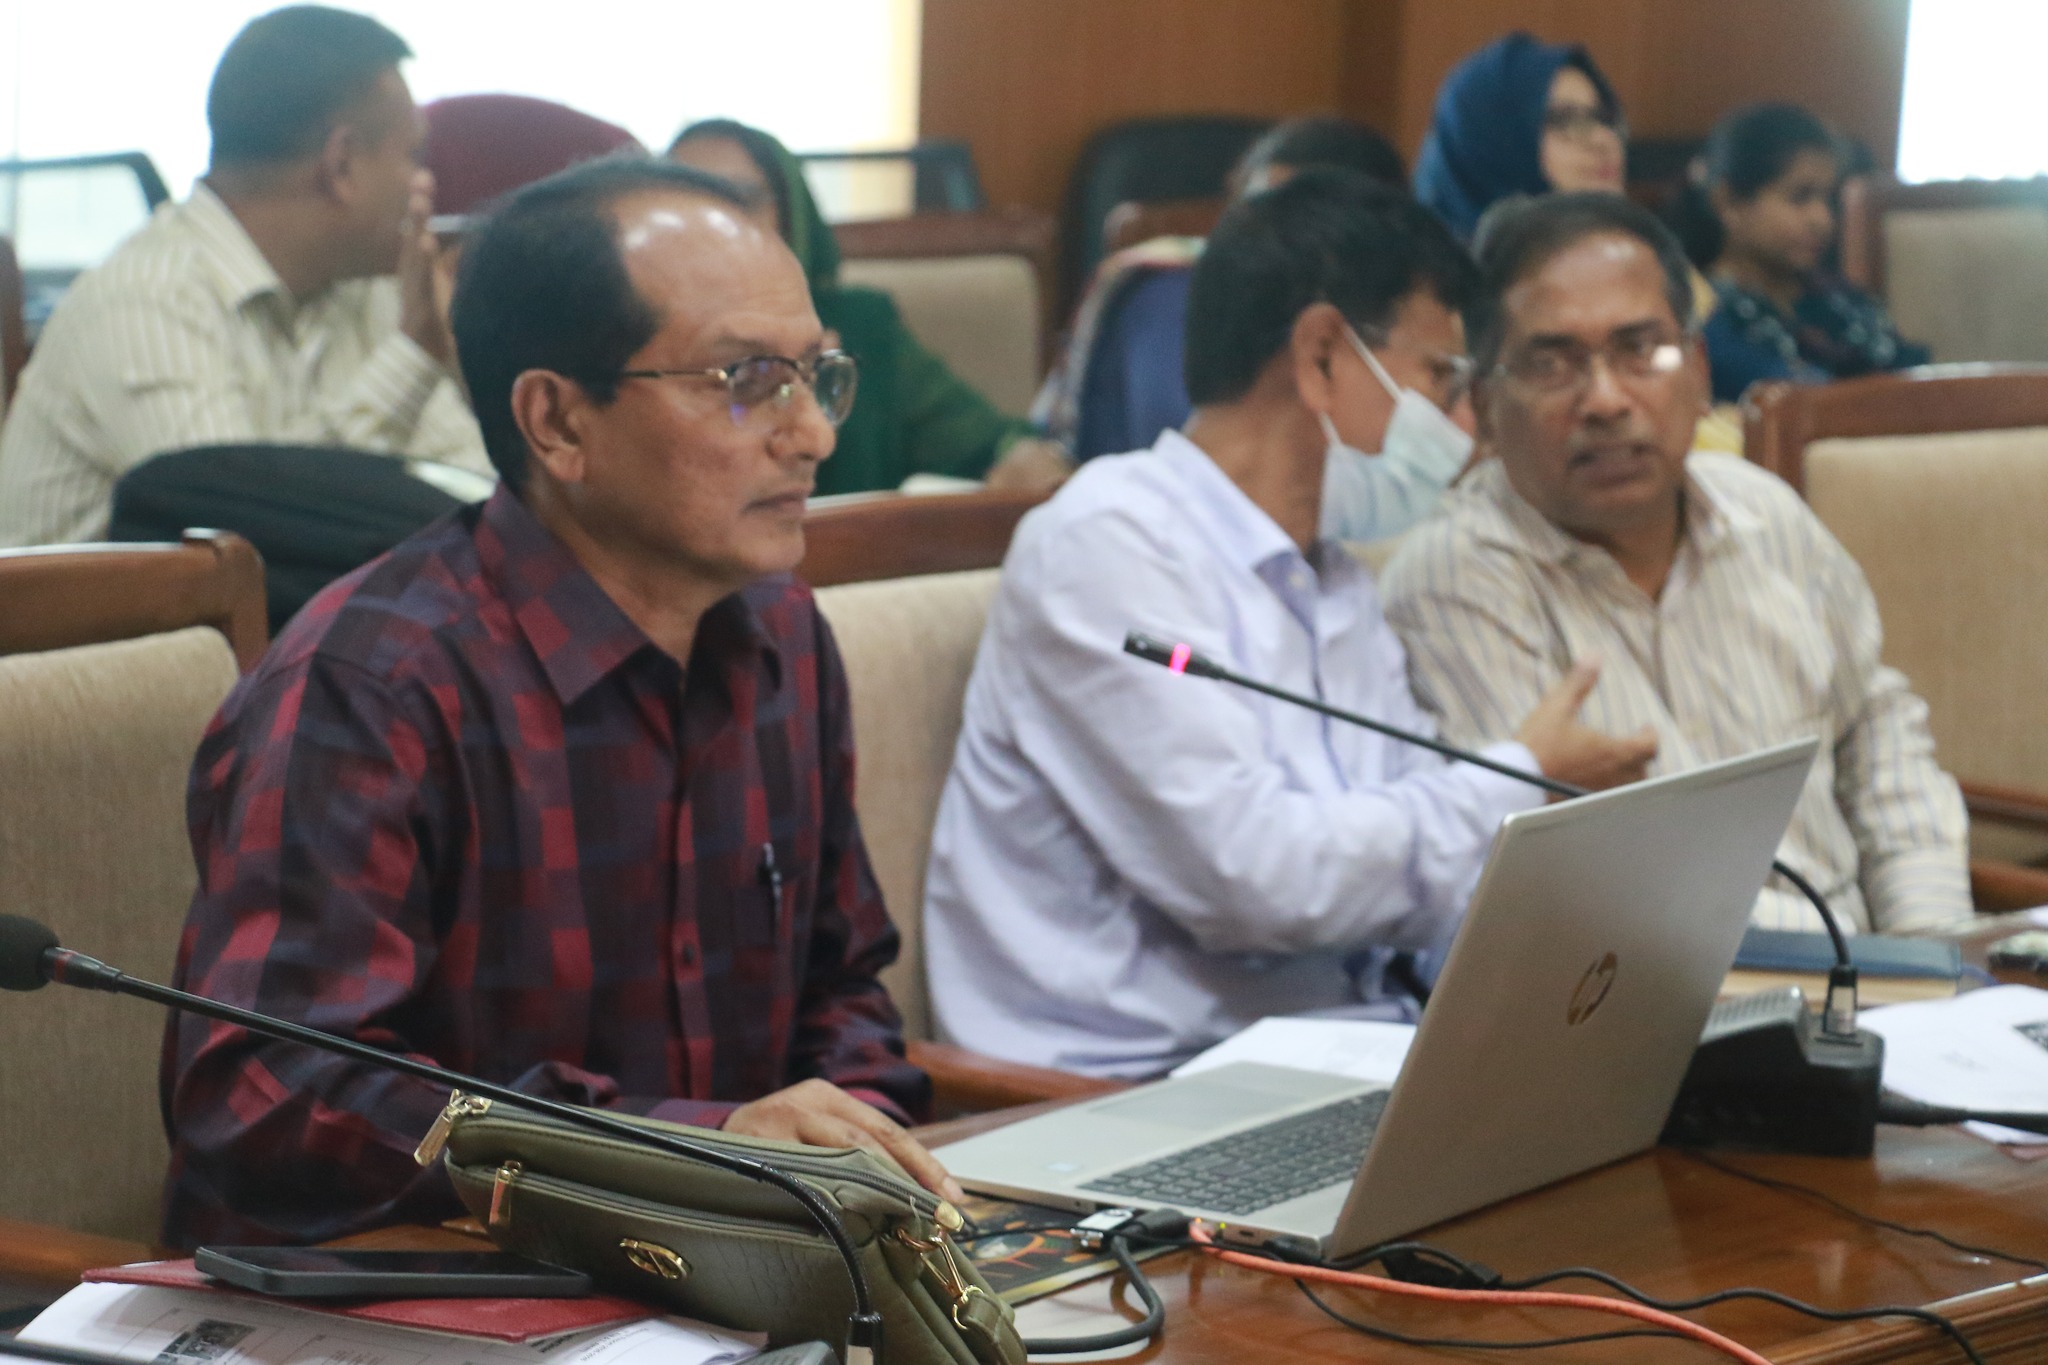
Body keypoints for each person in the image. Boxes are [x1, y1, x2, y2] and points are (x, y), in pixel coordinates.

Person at [159, 158, 953, 1247]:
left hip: (743, 1274)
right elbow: (271, 1094)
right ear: (557, 422)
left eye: (817, 375)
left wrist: (856, 1158)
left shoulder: (781, 635)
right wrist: (686, 1151)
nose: (812, 431)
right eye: (748, 379)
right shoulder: (369, 685)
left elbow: (843, 988)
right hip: (428, 1291)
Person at [922, 172, 1656, 1079]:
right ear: (1322, 356)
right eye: (1441, 378)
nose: (1467, 425)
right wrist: (1518, 780)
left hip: (1340, 1058)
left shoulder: (1333, 577)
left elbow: (1408, 866)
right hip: (1130, 1090)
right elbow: (1254, 881)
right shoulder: (1107, 544)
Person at [1381, 193, 1971, 937]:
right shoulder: (1453, 581)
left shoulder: (1766, 514)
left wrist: (1936, 947)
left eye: (1641, 350)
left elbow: (1881, 743)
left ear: (1697, 372)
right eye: (1552, 363)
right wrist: (1862, 968)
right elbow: (1592, 892)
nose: (1605, 400)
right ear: (1485, 405)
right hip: (1658, 989)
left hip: (1880, 975)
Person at [0, 5, 490, 548]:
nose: (423, 185)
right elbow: (260, 544)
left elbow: (469, 484)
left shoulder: (359, 283)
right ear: (342, 164)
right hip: (110, 609)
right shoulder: (147, 300)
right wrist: (413, 356)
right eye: (412, 156)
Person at [1042, 116, 1462, 542]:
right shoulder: (1145, 290)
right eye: (1254, 213)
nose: (1266, 247)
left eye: (1299, 228)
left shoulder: (1345, 551)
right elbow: (1049, 444)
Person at [665, 119, 1070, 496]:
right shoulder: (645, 346)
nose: (711, 222)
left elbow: (984, 442)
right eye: (682, 201)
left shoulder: (863, 329)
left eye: (739, 198)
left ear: (791, 217)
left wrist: (1024, 459)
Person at [1673, 103, 1928, 404]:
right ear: (1728, 202)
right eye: (1800, 197)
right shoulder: (1707, 316)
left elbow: (1916, 380)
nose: (1822, 219)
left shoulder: (1840, 300)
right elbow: (1798, 401)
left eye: (1828, 199)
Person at [1413, 32, 1625, 243]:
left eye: (1605, 118)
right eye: (1565, 120)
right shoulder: (1429, 261)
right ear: (1494, 143)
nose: (1603, 139)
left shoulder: (1630, 253)